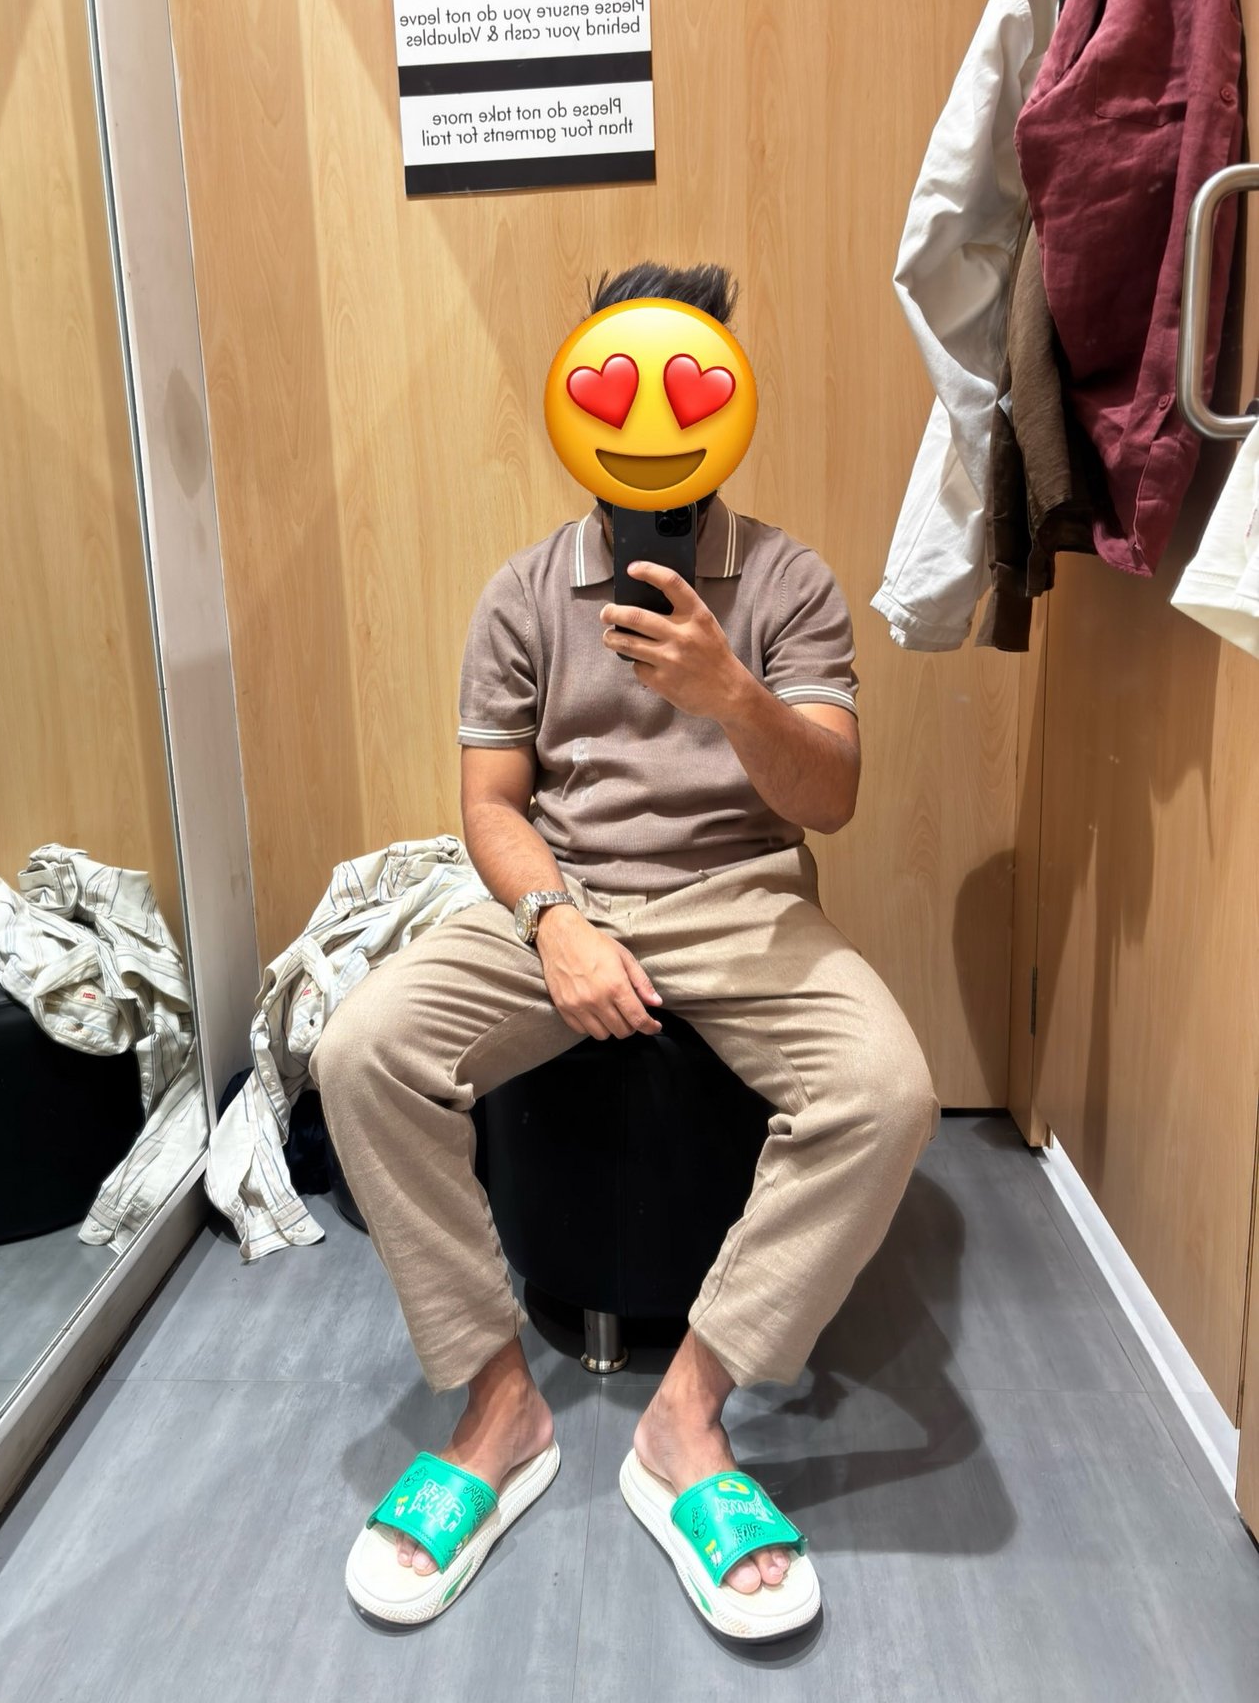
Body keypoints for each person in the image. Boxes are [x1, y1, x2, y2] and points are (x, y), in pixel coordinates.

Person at [313, 261, 938, 1637]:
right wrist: (554, 921)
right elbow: (491, 804)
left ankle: (686, 1418)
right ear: (573, 408)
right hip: (568, 894)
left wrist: (731, 693)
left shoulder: (789, 581)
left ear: (730, 406)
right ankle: (499, 1407)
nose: (651, 421)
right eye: (616, 389)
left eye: (686, 390)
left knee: (888, 1092)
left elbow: (830, 797)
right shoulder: (523, 592)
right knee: (360, 1052)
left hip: (744, 898)